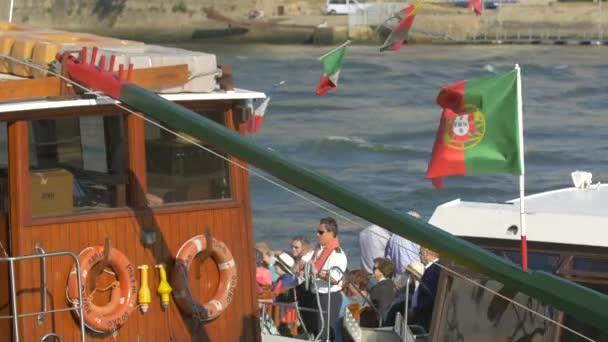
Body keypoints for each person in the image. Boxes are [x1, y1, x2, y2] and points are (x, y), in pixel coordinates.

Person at [300, 217, 347, 341]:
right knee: (314, 330)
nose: (317, 234)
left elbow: (335, 279)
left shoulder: (338, 255)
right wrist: (303, 267)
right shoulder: (318, 250)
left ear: (331, 233)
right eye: (317, 231)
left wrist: (317, 273)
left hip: (329, 296)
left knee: (325, 332)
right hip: (315, 293)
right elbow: (303, 261)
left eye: (321, 232)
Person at [410, 247, 440, 332]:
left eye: (420, 253)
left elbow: (430, 295)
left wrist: (416, 310)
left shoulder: (434, 270)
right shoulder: (431, 269)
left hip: (425, 317)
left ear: (426, 253)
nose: (419, 256)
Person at [360, 258, 396, 328]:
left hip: (378, 323)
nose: (373, 270)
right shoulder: (391, 284)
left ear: (382, 270)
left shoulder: (378, 288)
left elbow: (370, 303)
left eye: (375, 268)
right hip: (388, 321)